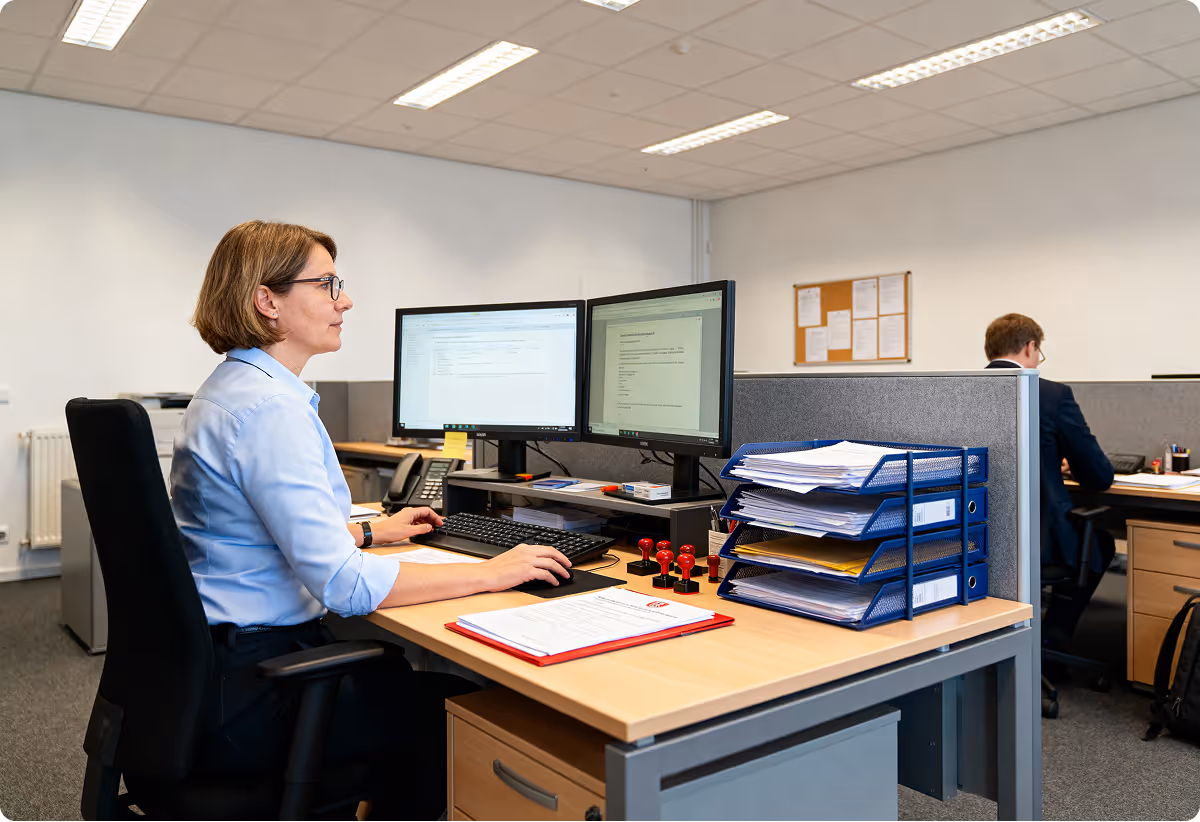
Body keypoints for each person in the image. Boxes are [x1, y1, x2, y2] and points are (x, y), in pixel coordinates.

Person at [170, 220, 572, 818]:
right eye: (328, 283)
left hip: (213, 672)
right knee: (453, 703)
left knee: (396, 671)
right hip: (259, 690)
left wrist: (367, 531)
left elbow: (256, 529)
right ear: (267, 301)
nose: (346, 300)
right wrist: (495, 572)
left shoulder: (232, 389)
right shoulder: (269, 410)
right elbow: (347, 587)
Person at [984, 313, 1115, 650]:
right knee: (1101, 543)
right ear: (1031, 347)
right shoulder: (1053, 396)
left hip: (978, 536)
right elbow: (1099, 477)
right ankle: (1053, 639)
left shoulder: (961, 393)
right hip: (1037, 543)